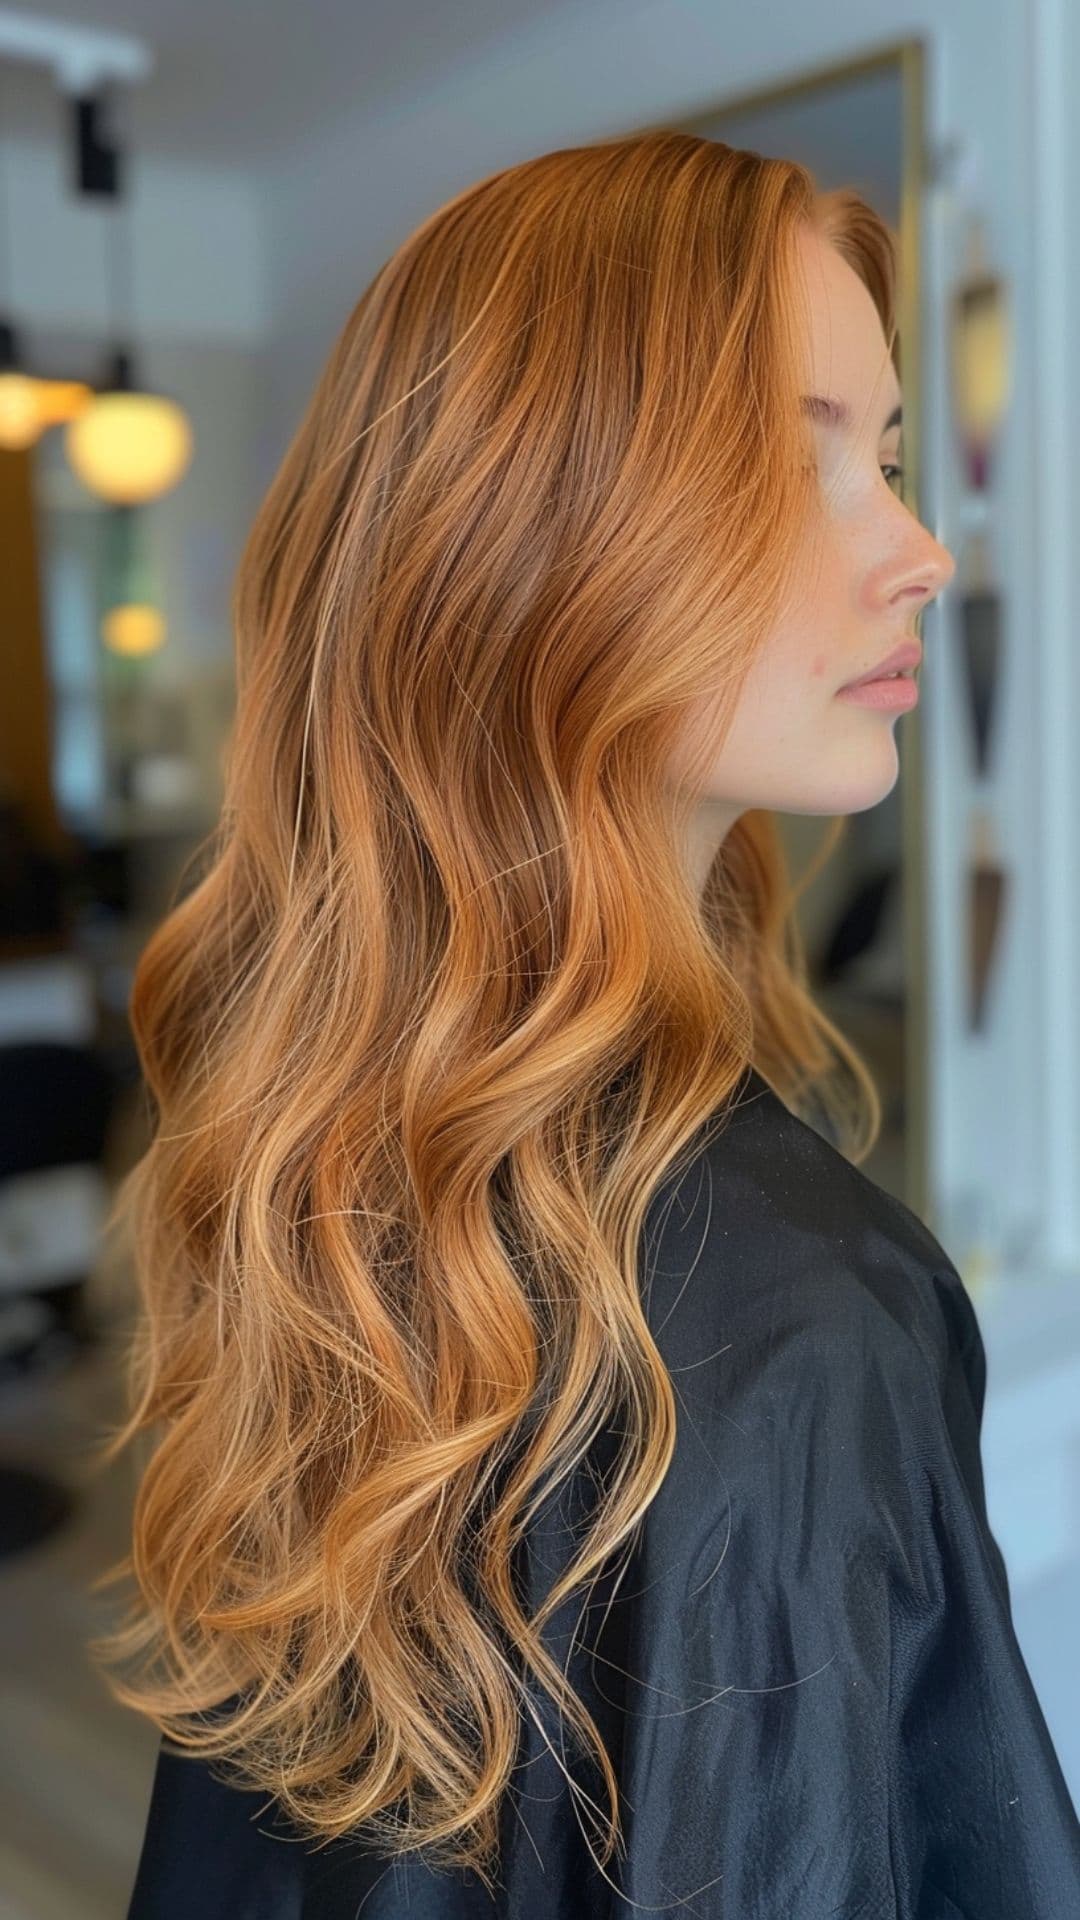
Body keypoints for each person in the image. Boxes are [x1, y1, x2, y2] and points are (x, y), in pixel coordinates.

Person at [94, 131, 1080, 1916]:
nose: (924, 551)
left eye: (893, 460)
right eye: (798, 468)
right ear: (533, 544)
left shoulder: (322, 1168)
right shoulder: (806, 1322)